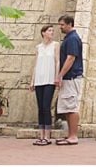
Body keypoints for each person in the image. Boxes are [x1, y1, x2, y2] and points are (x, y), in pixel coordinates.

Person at [55, 14, 83, 145]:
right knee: (67, 107)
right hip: (68, 77)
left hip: (71, 77)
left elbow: (71, 58)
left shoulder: (72, 39)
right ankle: (70, 135)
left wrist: (60, 75)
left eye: (62, 25)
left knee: (71, 107)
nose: (60, 27)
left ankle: (73, 136)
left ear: (70, 24)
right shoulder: (69, 38)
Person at [30, 24, 59, 146]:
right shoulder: (39, 47)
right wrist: (32, 81)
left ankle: (47, 136)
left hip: (49, 80)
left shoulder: (56, 45)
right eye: (49, 30)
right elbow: (36, 65)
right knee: (40, 107)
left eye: (52, 30)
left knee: (46, 107)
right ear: (43, 33)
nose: (51, 32)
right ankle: (41, 135)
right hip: (39, 80)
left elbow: (57, 61)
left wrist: (57, 77)